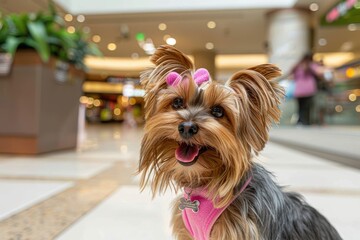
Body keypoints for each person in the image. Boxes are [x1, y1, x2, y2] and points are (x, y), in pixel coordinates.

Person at [290, 53, 321, 125]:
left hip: (298, 89)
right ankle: (305, 122)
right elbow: (319, 72)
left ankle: (300, 122)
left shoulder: (297, 66)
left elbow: (292, 75)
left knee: (300, 107)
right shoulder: (311, 65)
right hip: (308, 90)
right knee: (307, 107)